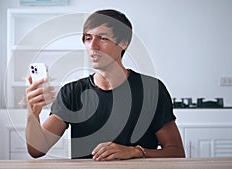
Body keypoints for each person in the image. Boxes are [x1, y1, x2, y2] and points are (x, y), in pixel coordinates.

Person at [25, 9, 185, 161]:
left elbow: (176, 152)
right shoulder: (72, 92)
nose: (93, 46)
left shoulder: (152, 89)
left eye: (102, 38)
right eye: (88, 38)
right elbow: (37, 150)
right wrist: (33, 113)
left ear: (123, 43)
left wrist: (134, 152)